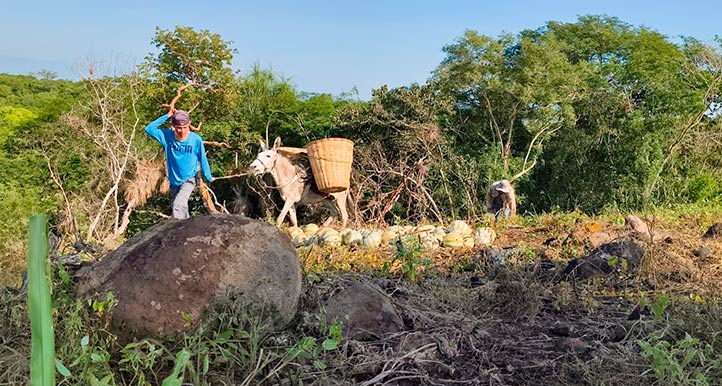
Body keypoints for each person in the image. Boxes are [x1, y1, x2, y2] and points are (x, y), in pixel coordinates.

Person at [144, 109, 213, 219]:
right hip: (174, 180)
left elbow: (202, 158)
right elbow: (149, 129)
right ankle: (188, 229)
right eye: (179, 128)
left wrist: (208, 176)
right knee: (181, 206)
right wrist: (167, 116)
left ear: (189, 125)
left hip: (190, 178)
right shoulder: (167, 137)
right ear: (173, 127)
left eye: (185, 127)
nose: (182, 131)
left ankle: (178, 232)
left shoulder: (195, 139)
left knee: (178, 205)